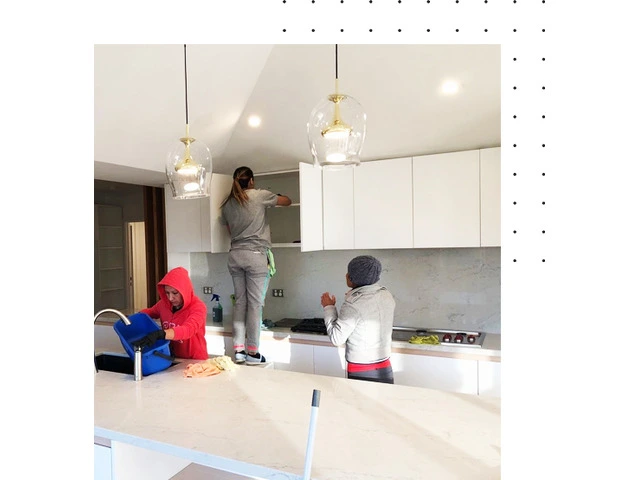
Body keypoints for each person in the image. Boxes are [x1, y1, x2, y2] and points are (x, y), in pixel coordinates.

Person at [220, 166, 292, 364]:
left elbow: (229, 230)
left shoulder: (228, 203)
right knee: (254, 305)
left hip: (235, 255)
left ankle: (239, 351)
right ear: (251, 180)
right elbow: (287, 201)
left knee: (240, 303)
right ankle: (253, 353)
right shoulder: (260, 195)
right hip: (255, 255)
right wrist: (276, 196)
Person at [320, 255, 395, 384]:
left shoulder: (354, 304)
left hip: (361, 369)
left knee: (357, 398)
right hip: (385, 365)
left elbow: (337, 338)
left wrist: (329, 307)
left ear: (350, 278)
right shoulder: (386, 295)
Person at [133, 266, 208, 360]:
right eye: (167, 293)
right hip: (171, 358)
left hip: (195, 360)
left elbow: (188, 329)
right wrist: (132, 319)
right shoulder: (163, 304)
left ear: (185, 291)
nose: (170, 298)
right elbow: (150, 312)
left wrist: (161, 334)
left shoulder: (198, 307)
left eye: (175, 293)